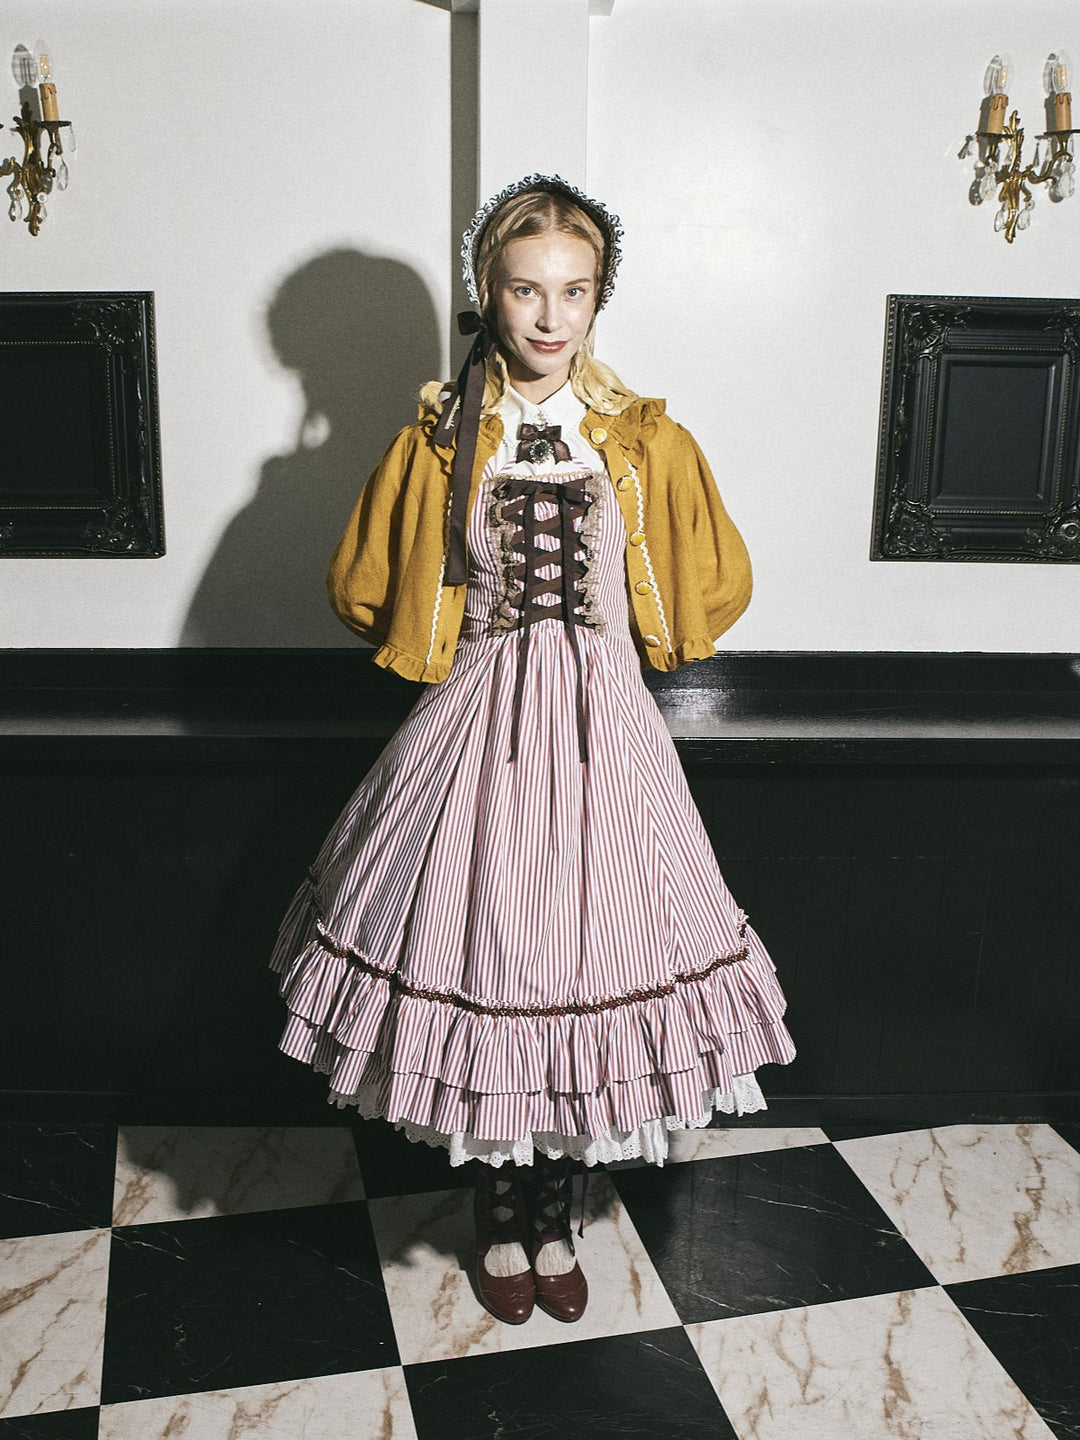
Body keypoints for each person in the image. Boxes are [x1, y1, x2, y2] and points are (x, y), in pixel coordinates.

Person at [269, 174, 796, 1327]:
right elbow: (366, 587)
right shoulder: (438, 442)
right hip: (480, 729)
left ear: (600, 297)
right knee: (497, 956)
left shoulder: (646, 441)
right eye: (525, 290)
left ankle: (557, 1203)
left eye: (574, 290)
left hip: (607, 732)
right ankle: (500, 1209)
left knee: (588, 966)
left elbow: (712, 579)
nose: (550, 316)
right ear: (488, 292)